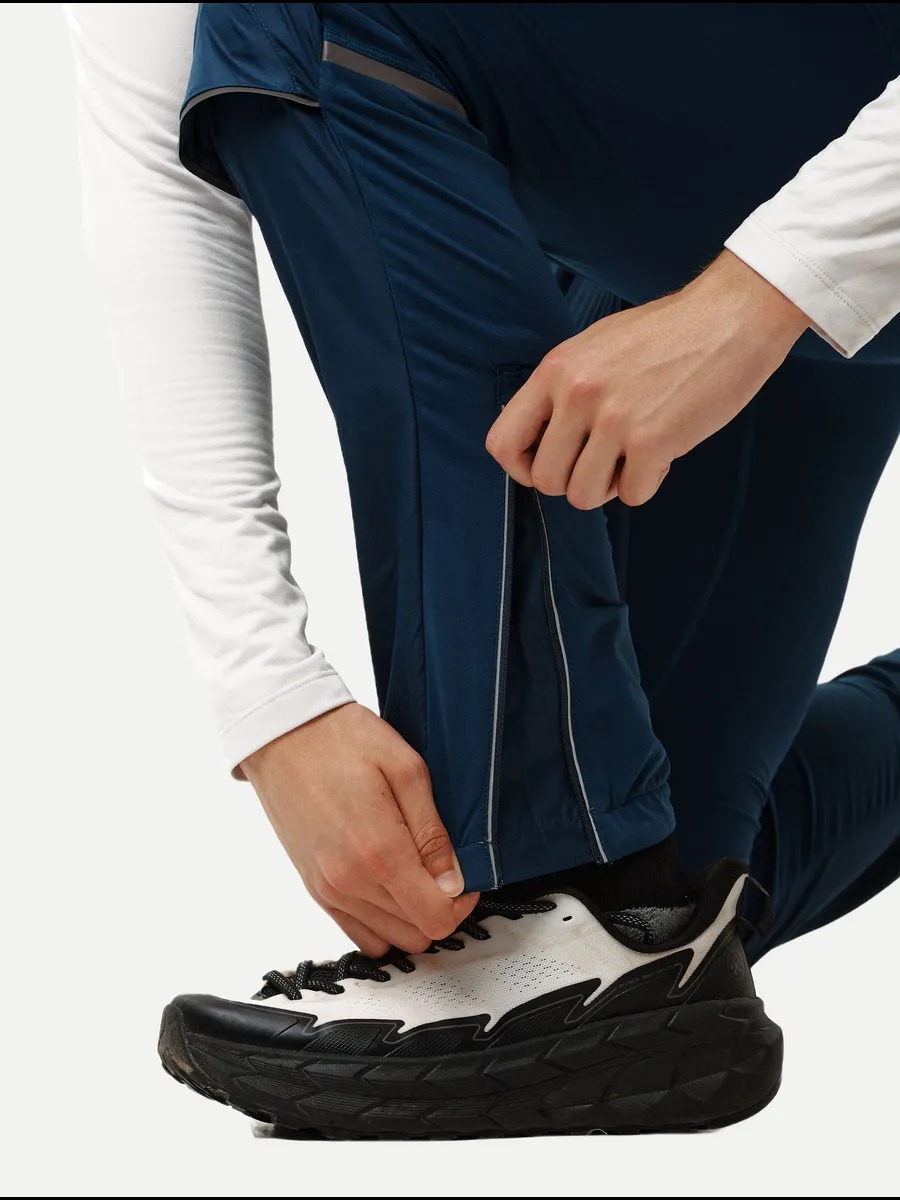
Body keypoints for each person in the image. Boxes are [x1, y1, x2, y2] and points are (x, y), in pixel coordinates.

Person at [66, 2, 900, 1138]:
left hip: (790, 216)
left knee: (307, 11)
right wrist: (274, 699)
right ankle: (599, 925)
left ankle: (555, 875)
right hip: (754, 223)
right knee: (663, 865)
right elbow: (165, 164)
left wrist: (754, 299)